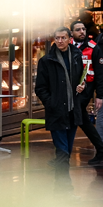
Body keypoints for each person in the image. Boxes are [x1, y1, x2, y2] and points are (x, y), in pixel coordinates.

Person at [33, 27, 80, 173]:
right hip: (56, 110)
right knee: (62, 151)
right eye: (57, 38)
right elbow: (40, 88)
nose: (60, 41)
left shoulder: (77, 56)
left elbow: (80, 79)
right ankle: (63, 188)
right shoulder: (47, 61)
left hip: (73, 110)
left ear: (69, 39)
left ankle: (65, 189)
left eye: (63, 38)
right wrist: (51, 103)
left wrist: (82, 88)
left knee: (68, 149)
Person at [71, 21, 103, 161]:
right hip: (70, 88)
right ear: (72, 33)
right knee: (81, 119)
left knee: (75, 115)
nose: (82, 32)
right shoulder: (67, 46)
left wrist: (99, 95)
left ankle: (63, 154)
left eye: (83, 29)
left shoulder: (93, 48)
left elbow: (101, 73)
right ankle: (102, 149)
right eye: (78, 30)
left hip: (86, 88)